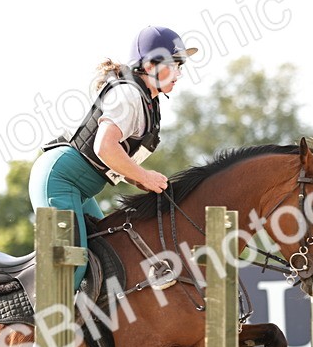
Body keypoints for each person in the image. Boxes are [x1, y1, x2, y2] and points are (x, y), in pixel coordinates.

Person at [30, 25, 198, 293]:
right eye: (174, 64)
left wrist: (140, 179)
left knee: (110, 254)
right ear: (149, 64)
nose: (179, 73)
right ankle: (42, 333)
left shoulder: (148, 102)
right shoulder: (129, 94)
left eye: (181, 66)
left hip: (81, 189)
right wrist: (143, 176)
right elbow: (105, 148)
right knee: (69, 266)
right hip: (58, 180)